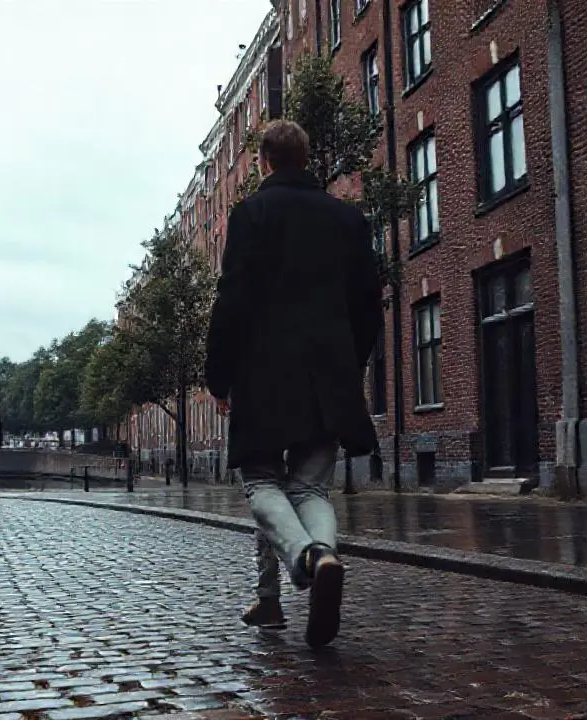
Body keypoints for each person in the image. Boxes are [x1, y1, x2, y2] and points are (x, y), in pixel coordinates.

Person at [205, 119, 384, 649]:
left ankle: (306, 559)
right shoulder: (348, 219)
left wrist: (219, 375)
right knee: (309, 488)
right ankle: (320, 560)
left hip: (264, 376)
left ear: (264, 161)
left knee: (261, 482)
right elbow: (368, 305)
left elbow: (232, 300)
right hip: (328, 375)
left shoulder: (251, 214)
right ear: (306, 159)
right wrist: (349, 365)